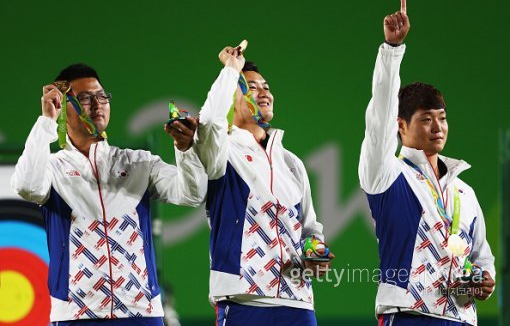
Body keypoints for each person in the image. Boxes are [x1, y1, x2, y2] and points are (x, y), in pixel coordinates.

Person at [10, 63, 207, 325]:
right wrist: (46, 121)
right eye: (84, 98)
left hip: (142, 313)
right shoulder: (53, 169)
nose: (97, 104)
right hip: (76, 315)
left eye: (102, 96)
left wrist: (186, 151)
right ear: (61, 107)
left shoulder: (138, 163)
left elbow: (192, 194)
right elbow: (27, 186)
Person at [358, 0, 496, 326]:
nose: (438, 127)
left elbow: (483, 256)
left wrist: (485, 279)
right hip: (409, 315)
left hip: (462, 317)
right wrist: (392, 51)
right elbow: (379, 115)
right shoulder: (387, 174)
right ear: (401, 125)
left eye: (443, 118)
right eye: (426, 119)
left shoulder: (465, 192)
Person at [194, 45, 333, 326]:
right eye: (251, 88)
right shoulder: (222, 152)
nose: (264, 93)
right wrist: (231, 69)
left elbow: (309, 228)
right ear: (231, 99)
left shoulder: (291, 162)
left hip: (298, 302)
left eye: (266, 87)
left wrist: (315, 251)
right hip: (243, 299)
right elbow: (209, 121)